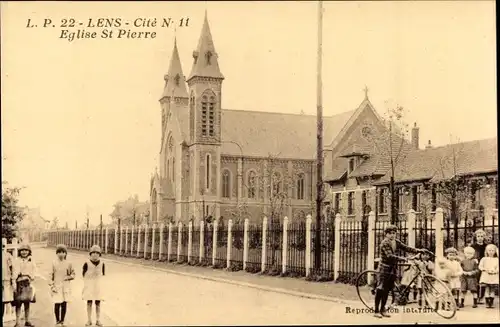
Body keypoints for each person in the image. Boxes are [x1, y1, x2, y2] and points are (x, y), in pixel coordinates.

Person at [373, 225, 426, 318]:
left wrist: (419, 250)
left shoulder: (396, 242)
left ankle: (383, 309)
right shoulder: (384, 243)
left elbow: (406, 248)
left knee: (388, 289)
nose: (392, 235)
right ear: (386, 234)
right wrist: (403, 258)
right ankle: (376, 310)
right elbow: (389, 256)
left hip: (393, 268)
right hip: (384, 268)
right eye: (390, 233)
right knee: (381, 288)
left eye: (394, 233)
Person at [49, 244, 75, 326]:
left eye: (63, 252)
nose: (61, 254)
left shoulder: (69, 263)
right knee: (57, 304)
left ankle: (62, 321)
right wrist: (52, 285)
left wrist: (68, 277)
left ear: (65, 253)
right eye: (59, 252)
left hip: (65, 287)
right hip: (57, 286)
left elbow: (73, 274)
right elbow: (50, 275)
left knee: (64, 304)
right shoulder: (53, 263)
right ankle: (57, 321)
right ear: (56, 253)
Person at [12, 243, 37, 327]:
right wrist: (14, 282)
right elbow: (15, 271)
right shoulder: (17, 260)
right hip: (19, 282)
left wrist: (31, 277)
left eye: (26, 250)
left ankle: (27, 320)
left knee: (27, 302)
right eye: (22, 250)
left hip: (27, 283)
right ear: (19, 252)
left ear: (29, 251)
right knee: (18, 303)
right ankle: (17, 322)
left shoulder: (31, 260)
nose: (24, 252)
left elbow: (34, 270)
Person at [82, 245, 105, 327]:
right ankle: (89, 320)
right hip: (89, 286)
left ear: (99, 254)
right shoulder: (86, 263)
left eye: (97, 253)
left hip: (98, 286)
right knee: (89, 302)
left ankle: (98, 320)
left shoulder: (102, 263)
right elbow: (83, 275)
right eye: (93, 253)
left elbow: (103, 275)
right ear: (90, 254)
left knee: (98, 303)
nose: (95, 255)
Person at [469, 229, 490, 303]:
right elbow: (470, 254)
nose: (480, 238)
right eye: (478, 236)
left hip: (484, 264)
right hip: (476, 264)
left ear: (484, 237)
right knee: (476, 281)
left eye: (481, 236)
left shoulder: (486, 246)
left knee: (483, 280)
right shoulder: (473, 246)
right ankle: (477, 296)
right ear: (476, 237)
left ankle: (482, 297)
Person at [478, 244, 499, 308]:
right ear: (486, 251)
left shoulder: (496, 259)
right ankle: (487, 302)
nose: (491, 252)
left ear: (495, 251)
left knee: (492, 289)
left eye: (492, 250)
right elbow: (480, 266)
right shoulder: (484, 259)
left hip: (493, 276)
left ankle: (491, 302)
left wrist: (495, 271)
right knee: (487, 289)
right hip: (486, 275)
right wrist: (484, 269)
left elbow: (498, 267)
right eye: (489, 250)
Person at [2, 243, 16, 320]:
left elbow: (12, 267)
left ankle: (12, 314)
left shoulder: (8, 256)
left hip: (6, 279)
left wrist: (13, 279)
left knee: (8, 298)